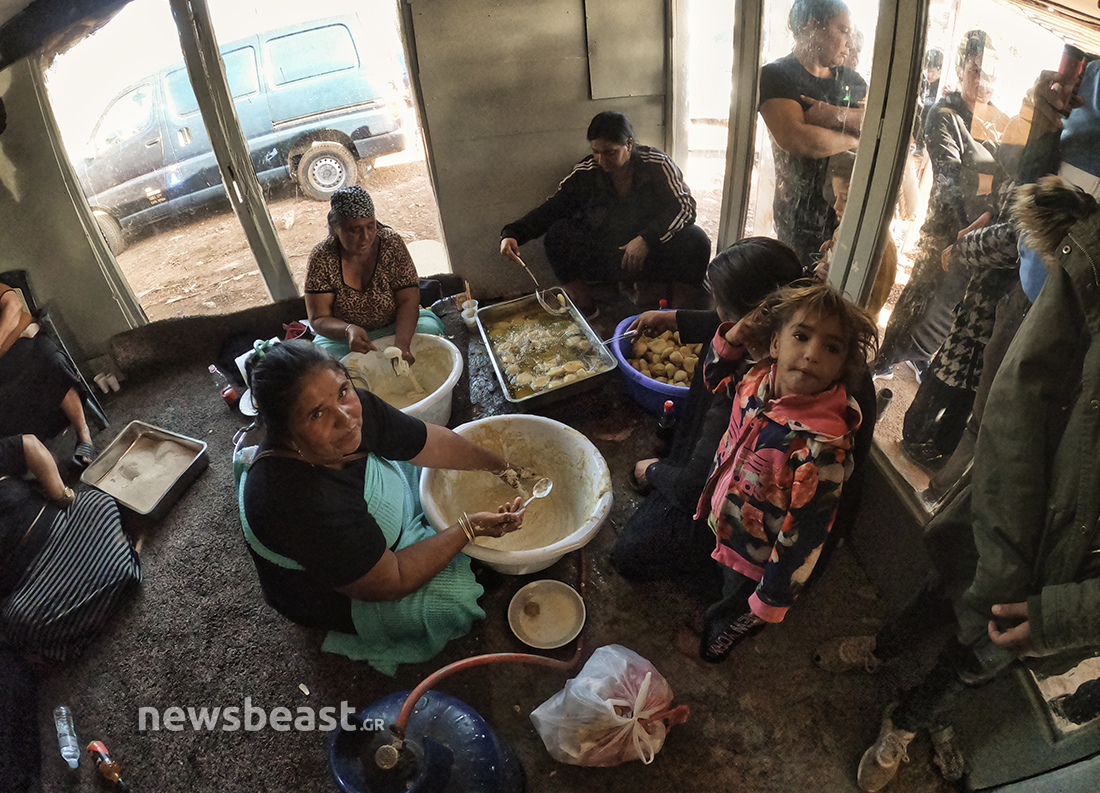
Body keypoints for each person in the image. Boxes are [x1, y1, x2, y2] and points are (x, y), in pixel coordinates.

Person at [852, 179, 1100, 792]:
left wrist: (1061, 617)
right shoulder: (1059, 286)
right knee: (942, 590)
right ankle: (884, 647)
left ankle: (906, 724)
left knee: (975, 661)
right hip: (998, 514)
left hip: (1059, 578)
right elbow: (1006, 410)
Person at [236, 340, 525, 676]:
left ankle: (420, 535)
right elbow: (394, 579)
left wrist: (501, 467)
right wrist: (467, 529)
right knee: (452, 602)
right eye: (317, 413)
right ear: (285, 431)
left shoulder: (353, 409)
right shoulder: (297, 499)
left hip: (351, 525)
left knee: (434, 470)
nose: (345, 419)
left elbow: (428, 442)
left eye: (343, 391)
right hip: (330, 588)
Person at [687, 283, 878, 663]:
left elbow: (805, 534)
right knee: (724, 578)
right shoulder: (758, 381)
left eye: (831, 347)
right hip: (728, 521)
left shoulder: (821, 449)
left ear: (842, 367)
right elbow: (715, 380)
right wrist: (734, 337)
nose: (811, 354)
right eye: (801, 336)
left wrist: (771, 597)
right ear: (775, 344)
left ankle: (717, 643)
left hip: (760, 557)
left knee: (737, 604)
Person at [610, 238, 804, 587]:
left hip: (740, 510)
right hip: (714, 470)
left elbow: (691, 488)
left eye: (722, 307)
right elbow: (723, 328)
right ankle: (680, 459)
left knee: (630, 553)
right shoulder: (785, 329)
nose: (717, 315)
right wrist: (671, 318)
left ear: (753, 320)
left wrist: (652, 470)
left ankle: (717, 576)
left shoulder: (754, 386)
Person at [875, 30, 1008, 378]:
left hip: (982, 237)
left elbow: (1008, 180)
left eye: (990, 72)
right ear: (962, 69)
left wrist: (987, 186)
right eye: (975, 70)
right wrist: (998, 187)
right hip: (944, 229)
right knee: (921, 301)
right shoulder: (944, 115)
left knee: (951, 309)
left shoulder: (1002, 123)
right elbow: (953, 180)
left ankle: (920, 358)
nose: (983, 80)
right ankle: (885, 361)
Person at [499, 111, 710, 318]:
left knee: (697, 240)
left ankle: (678, 315)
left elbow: (685, 207)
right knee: (557, 235)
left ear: (628, 145)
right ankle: (588, 311)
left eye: (610, 152)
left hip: (653, 249)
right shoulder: (586, 171)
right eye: (596, 152)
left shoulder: (656, 164)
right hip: (611, 254)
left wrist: (647, 239)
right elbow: (554, 207)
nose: (601, 160)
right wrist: (514, 233)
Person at [0, 434, 139, 662]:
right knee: (18, 620)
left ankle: (82, 605)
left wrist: (63, 495)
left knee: (97, 503)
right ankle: (114, 567)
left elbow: (30, 444)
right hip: (31, 581)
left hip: (65, 527)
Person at [758, 0, 867, 269]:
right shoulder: (776, 75)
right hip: (800, 219)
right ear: (812, 26)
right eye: (842, 30)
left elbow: (877, 125)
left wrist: (831, 114)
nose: (849, 41)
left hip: (850, 213)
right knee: (803, 293)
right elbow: (796, 139)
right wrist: (855, 138)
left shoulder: (851, 80)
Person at [304, 186, 444, 363]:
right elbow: (318, 318)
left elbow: (408, 300)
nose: (365, 237)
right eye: (354, 230)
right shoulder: (322, 257)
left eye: (371, 226)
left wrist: (402, 345)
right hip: (344, 339)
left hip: (394, 325)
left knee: (430, 332)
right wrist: (348, 330)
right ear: (335, 228)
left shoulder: (390, 243)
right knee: (324, 365)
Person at [0, 283, 94, 469]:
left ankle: (84, 436)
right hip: (3, 366)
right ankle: (38, 454)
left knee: (51, 362)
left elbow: (13, 305)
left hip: (26, 340)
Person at [814, 150, 898, 317]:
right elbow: (828, 268)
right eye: (836, 196)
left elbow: (871, 307)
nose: (836, 206)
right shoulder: (841, 231)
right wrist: (823, 269)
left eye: (845, 198)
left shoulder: (884, 250)